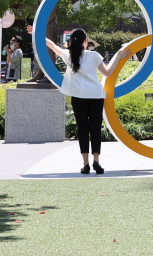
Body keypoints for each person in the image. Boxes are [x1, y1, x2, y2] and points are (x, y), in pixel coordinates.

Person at [27, 26, 131, 175]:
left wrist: (36, 33)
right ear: (85, 41)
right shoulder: (94, 55)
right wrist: (118, 57)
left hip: (78, 98)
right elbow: (108, 73)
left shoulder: (67, 55)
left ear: (70, 41)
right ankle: (97, 161)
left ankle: (85, 164)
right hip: (95, 96)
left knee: (82, 130)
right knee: (95, 129)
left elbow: (51, 45)